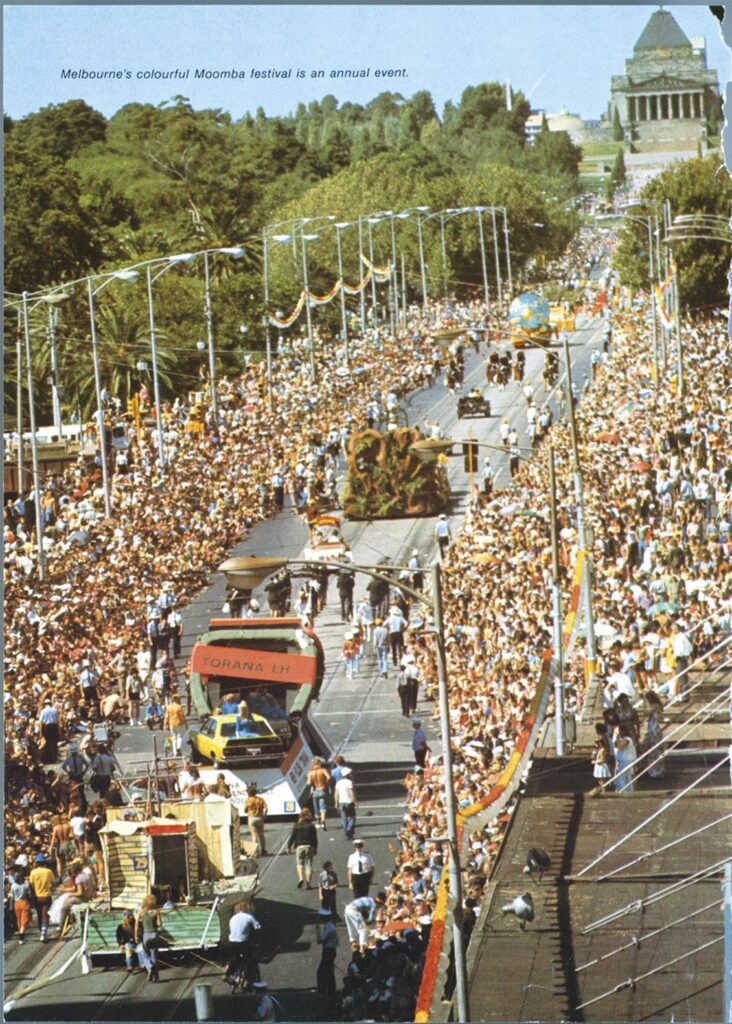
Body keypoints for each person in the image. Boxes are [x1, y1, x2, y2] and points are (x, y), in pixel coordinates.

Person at [225, 901, 262, 991]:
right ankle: (249, 980)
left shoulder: (232, 918)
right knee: (249, 960)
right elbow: (258, 928)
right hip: (243, 942)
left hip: (232, 941)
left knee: (236, 958)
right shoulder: (249, 917)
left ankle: (230, 974)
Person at [287, 808, 318, 889]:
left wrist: (288, 847)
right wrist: (315, 848)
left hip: (299, 847)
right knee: (308, 865)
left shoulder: (296, 825)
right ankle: (308, 884)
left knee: (299, 864)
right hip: (309, 846)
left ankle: (301, 878)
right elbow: (315, 839)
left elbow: (292, 837)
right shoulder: (311, 826)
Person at [135, 893, 162, 982]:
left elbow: (136, 925)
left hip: (146, 935)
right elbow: (159, 924)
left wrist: (135, 936)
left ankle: (150, 967)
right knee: (154, 955)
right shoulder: (157, 911)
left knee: (145, 954)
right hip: (154, 934)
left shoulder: (141, 912)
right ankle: (156, 978)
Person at [640, 690, 666, 779]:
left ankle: (655, 771)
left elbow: (646, 712)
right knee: (652, 749)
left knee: (654, 750)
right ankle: (654, 769)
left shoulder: (655, 706)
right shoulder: (657, 706)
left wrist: (643, 702)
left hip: (654, 730)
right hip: (653, 728)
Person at [29, 853, 55, 942]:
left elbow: (31, 884)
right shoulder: (49, 871)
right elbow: (52, 883)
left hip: (36, 897)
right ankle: (44, 932)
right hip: (46, 895)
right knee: (45, 915)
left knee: (39, 915)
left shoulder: (33, 872)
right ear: (44, 862)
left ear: (36, 863)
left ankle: (41, 932)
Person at [315, 908, 339, 999]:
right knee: (329, 971)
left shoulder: (329, 928)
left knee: (321, 971)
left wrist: (317, 931)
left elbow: (319, 941)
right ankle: (331, 991)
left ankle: (323, 990)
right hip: (330, 951)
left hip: (328, 951)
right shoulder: (330, 926)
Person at [245, 784, 268, 857]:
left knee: (254, 836)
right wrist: (264, 814)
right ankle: (263, 850)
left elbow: (245, 810)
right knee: (261, 834)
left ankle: (255, 852)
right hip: (260, 817)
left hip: (251, 818)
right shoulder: (260, 799)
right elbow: (266, 808)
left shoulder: (248, 800)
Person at [307, 758, 331, 830]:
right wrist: (326, 783)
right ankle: (323, 822)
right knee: (322, 807)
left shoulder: (310, 772)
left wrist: (313, 783)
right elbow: (329, 777)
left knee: (316, 807)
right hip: (322, 789)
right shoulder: (323, 770)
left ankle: (317, 822)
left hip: (315, 790)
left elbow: (308, 783)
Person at [613, 723, 637, 794]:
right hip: (623, 761)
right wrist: (616, 737)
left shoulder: (627, 739)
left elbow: (620, 747)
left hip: (626, 761)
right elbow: (616, 745)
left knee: (621, 778)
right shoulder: (622, 739)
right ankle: (628, 791)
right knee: (627, 778)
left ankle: (622, 791)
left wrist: (617, 736)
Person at [334, 765, 357, 840]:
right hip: (349, 802)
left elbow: (336, 793)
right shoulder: (349, 782)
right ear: (347, 774)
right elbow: (351, 792)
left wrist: (336, 802)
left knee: (343, 818)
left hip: (341, 802)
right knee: (352, 816)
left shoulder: (338, 782)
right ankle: (350, 828)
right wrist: (355, 801)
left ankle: (346, 833)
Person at [11, 867, 32, 943]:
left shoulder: (13, 886)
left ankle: (22, 936)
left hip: (16, 903)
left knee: (19, 919)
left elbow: (12, 897)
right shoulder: (25, 885)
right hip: (24, 902)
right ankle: (21, 936)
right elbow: (29, 894)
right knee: (24, 920)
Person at [39, 697, 60, 764]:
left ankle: (48, 759)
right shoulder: (55, 710)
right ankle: (54, 758)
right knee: (54, 742)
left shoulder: (43, 711)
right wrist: (58, 730)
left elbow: (41, 723)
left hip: (47, 727)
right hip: (54, 726)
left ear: (45, 704)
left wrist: (41, 732)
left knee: (48, 742)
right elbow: (57, 722)